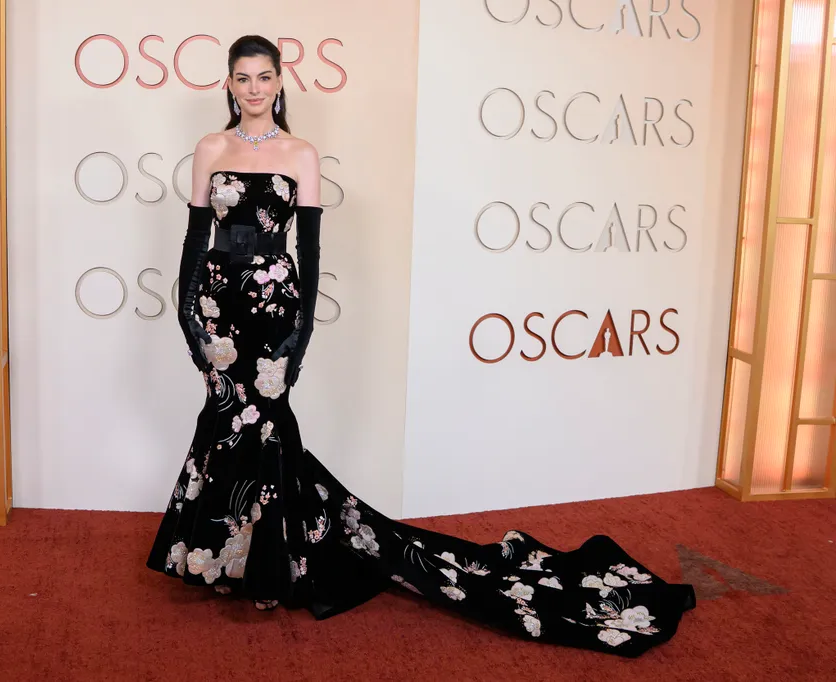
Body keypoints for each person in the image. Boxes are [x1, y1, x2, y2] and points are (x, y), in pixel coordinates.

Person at [147, 34, 695, 657]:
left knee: (266, 427)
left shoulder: (300, 153)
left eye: (264, 77)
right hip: (219, 309)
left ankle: (269, 567)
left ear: (279, 81)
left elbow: (311, 253)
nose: (254, 89)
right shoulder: (210, 148)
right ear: (229, 83)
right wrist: (188, 316)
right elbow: (194, 241)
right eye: (243, 78)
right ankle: (225, 559)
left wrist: (300, 336)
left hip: (275, 313)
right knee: (224, 423)